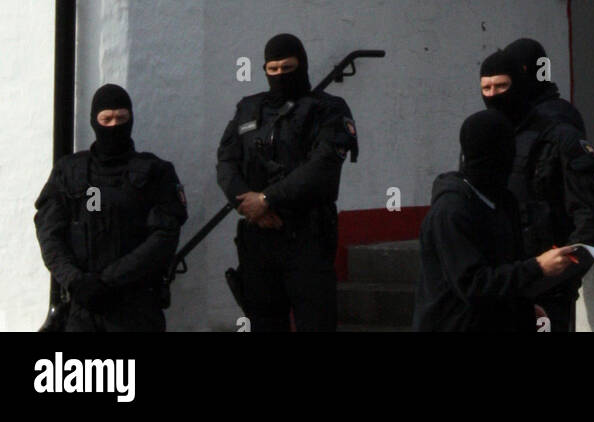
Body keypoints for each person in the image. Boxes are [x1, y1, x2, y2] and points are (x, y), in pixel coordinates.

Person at [216, 33, 358, 332]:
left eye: (288, 68)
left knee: (315, 322)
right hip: (258, 238)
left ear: (302, 66)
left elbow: (322, 168)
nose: (280, 75)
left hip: (307, 235)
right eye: (273, 69)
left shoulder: (328, 109)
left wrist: (267, 199)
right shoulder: (248, 108)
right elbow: (227, 162)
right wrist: (249, 204)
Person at [34, 83, 187, 333]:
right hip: (82, 307)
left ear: (131, 119)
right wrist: (75, 282)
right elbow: (49, 233)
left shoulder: (156, 172)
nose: (114, 125)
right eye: (106, 119)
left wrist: (108, 281)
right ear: (94, 121)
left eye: (121, 118)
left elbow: (164, 236)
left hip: (136, 306)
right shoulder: (68, 171)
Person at [481, 43, 594, 333]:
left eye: (501, 86)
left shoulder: (558, 133)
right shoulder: (486, 134)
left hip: (547, 287)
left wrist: (559, 277)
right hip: (500, 283)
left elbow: (591, 221)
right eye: (486, 88)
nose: (492, 96)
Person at [413, 110, 575, 332]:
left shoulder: (503, 201)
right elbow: (474, 285)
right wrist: (538, 267)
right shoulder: (451, 211)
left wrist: (522, 309)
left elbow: (504, 266)